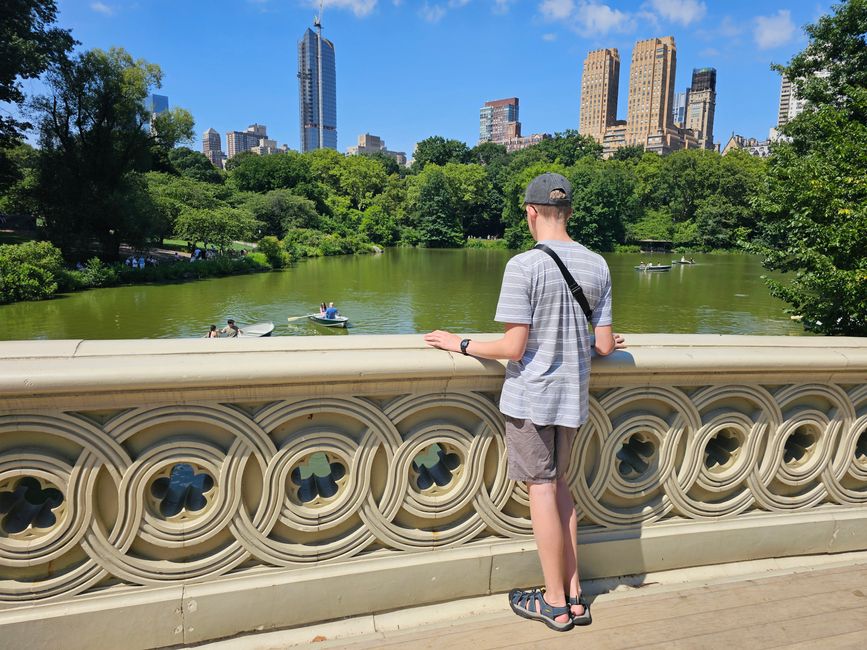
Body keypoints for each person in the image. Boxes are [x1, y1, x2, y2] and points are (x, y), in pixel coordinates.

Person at [424, 172, 625, 633]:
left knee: (541, 490)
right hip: (573, 399)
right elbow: (607, 345)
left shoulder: (523, 266)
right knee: (563, 489)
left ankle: (553, 603)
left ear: (531, 213)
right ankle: (575, 596)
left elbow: (514, 347)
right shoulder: (597, 264)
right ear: (569, 211)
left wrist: (461, 343)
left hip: (533, 398)